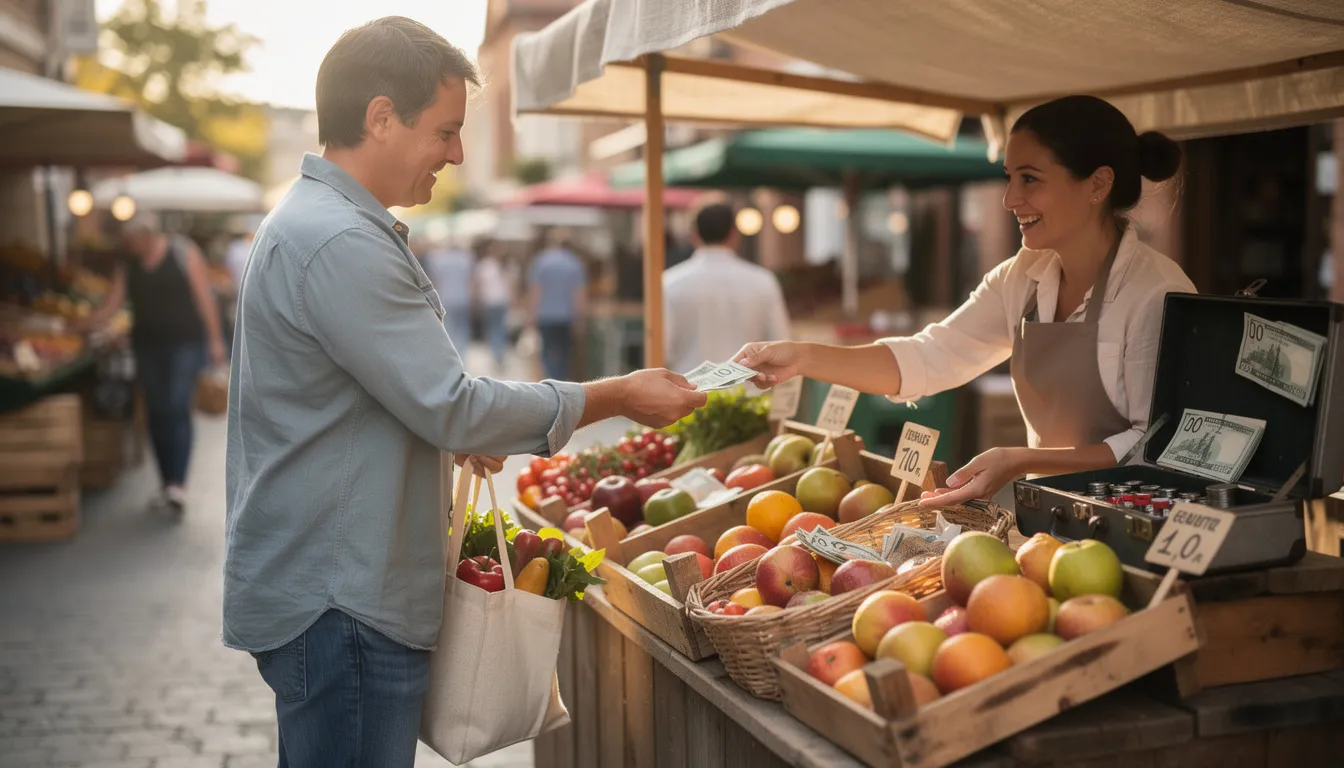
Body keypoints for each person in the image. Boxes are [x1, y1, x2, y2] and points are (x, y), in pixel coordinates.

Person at [222, 17, 705, 768]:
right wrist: (613, 396)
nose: (454, 153)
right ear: (381, 117)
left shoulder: (322, 224)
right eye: (445, 131)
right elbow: (451, 400)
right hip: (342, 601)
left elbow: (387, 400)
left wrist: (446, 428)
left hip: (330, 590)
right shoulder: (341, 240)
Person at [737, 95, 1194, 507]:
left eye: (1030, 179)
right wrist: (802, 356)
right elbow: (930, 357)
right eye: (1010, 178)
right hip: (1047, 520)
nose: (1009, 199)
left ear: (1098, 184)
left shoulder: (1156, 292)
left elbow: (1152, 443)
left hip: (1136, 524)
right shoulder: (1022, 278)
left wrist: (1021, 459)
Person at [76, 213, 227, 512]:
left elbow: (204, 297)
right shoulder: (128, 265)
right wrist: (77, 326)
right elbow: (112, 305)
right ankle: (167, 481)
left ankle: (179, 485)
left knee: (176, 405)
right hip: (147, 347)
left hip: (185, 343)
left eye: (132, 239)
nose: (129, 245)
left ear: (146, 235)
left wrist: (215, 340)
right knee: (156, 412)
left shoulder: (183, 252)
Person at [664, 201, 791, 375]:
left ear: (694, 235)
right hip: (751, 395)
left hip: (689, 392)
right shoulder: (763, 281)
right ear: (734, 235)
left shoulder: (669, 282)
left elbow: (662, 348)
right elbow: (780, 344)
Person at [527, 228, 587, 380]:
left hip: (545, 314)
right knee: (564, 352)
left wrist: (531, 314)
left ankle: (551, 380)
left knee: (547, 351)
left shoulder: (541, 261)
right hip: (566, 316)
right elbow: (578, 294)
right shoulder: (575, 263)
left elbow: (536, 291)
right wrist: (579, 316)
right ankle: (560, 381)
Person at [421, 238, 475, 349]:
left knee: (449, 328)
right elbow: (470, 280)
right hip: (462, 298)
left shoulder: (440, 259)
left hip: (445, 298)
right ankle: (462, 354)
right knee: (462, 329)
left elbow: (435, 280)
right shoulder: (466, 259)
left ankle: (453, 353)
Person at [474, 239, 515, 372]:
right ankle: (500, 353)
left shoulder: (485, 265)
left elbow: (479, 285)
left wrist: (478, 299)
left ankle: (496, 353)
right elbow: (512, 286)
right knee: (500, 328)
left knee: (492, 328)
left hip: (490, 301)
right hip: (501, 301)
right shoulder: (507, 265)